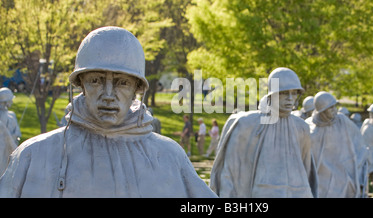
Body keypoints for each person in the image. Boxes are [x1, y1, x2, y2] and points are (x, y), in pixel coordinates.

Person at [0, 26, 217, 198]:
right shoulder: (33, 155)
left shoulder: (169, 156)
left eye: (122, 83)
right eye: (96, 80)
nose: (108, 94)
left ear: (136, 89)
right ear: (81, 84)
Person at [210, 67, 318, 198]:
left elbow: (306, 169)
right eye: (284, 93)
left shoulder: (301, 127)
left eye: (294, 93)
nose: (290, 98)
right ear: (272, 93)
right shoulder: (248, 124)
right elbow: (231, 171)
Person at [305, 91, 367, 198]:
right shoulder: (309, 126)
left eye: (334, 106)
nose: (335, 110)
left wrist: (357, 163)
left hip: (342, 175)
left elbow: (359, 143)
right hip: (321, 177)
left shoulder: (342, 121)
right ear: (322, 111)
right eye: (331, 108)